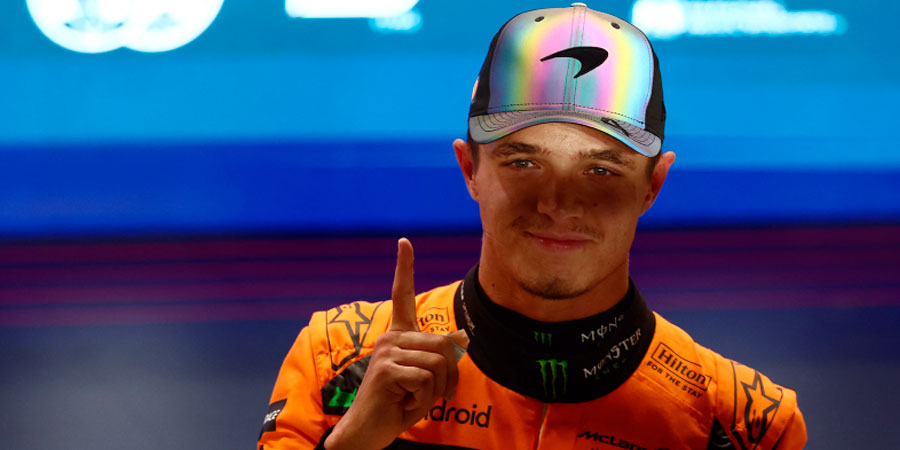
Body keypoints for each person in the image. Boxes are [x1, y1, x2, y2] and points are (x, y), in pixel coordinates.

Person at [257, 3, 807, 449]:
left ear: (653, 185)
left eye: (600, 170)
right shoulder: (338, 359)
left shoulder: (744, 424)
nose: (558, 205)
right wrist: (352, 443)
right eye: (524, 162)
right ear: (469, 170)